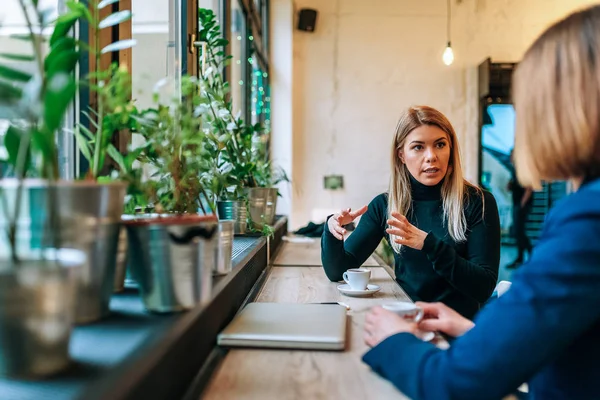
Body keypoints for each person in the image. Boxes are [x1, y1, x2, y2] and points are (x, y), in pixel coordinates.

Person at [362, 6, 600, 399]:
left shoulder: (588, 220)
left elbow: (454, 384)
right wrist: (473, 331)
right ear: (402, 155)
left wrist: (393, 339)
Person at [321, 106, 501, 320]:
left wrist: (429, 245)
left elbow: (483, 287)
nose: (431, 156)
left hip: (456, 330)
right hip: (406, 322)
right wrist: (332, 228)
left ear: (450, 150)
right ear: (401, 155)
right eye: (418, 147)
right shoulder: (385, 206)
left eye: (440, 145)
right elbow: (338, 270)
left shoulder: (478, 202)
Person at [507, 149, 533, 268]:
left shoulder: (523, 169)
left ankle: (530, 256)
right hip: (517, 203)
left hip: (522, 205)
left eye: (512, 154)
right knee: (519, 232)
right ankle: (521, 258)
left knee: (519, 231)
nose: (510, 157)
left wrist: (522, 204)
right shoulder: (514, 170)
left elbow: (529, 187)